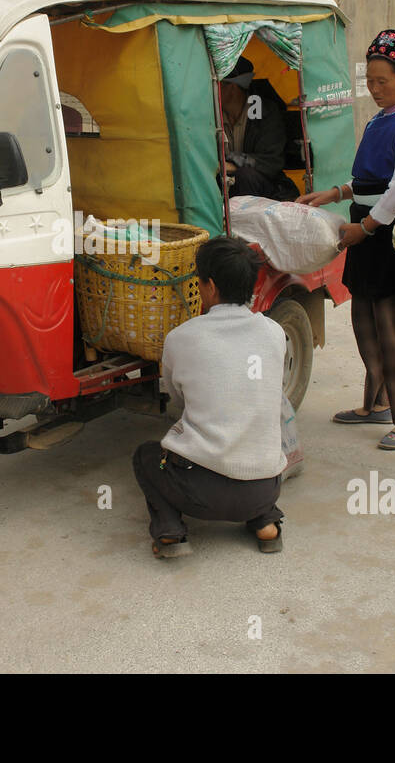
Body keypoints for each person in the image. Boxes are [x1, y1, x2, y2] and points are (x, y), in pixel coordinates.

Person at [298, 29, 395, 449]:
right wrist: (336, 193)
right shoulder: (381, 119)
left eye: (383, 81)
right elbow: (368, 179)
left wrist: (365, 228)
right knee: (367, 324)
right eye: (370, 81)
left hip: (391, 236)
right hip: (367, 232)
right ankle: (377, 404)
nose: (375, 89)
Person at [132, 237, 287, 557]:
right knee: (251, 444)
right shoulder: (274, 332)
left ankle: (170, 531)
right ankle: (265, 522)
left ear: (211, 287)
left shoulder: (180, 338)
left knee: (146, 456)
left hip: (198, 493)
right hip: (265, 487)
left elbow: (177, 400)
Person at [217, 57, 299, 201]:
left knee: (244, 177)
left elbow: (272, 162)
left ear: (232, 88)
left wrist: (233, 165)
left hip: (264, 188)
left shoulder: (266, 112)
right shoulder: (211, 116)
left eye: (217, 85)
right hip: (221, 183)